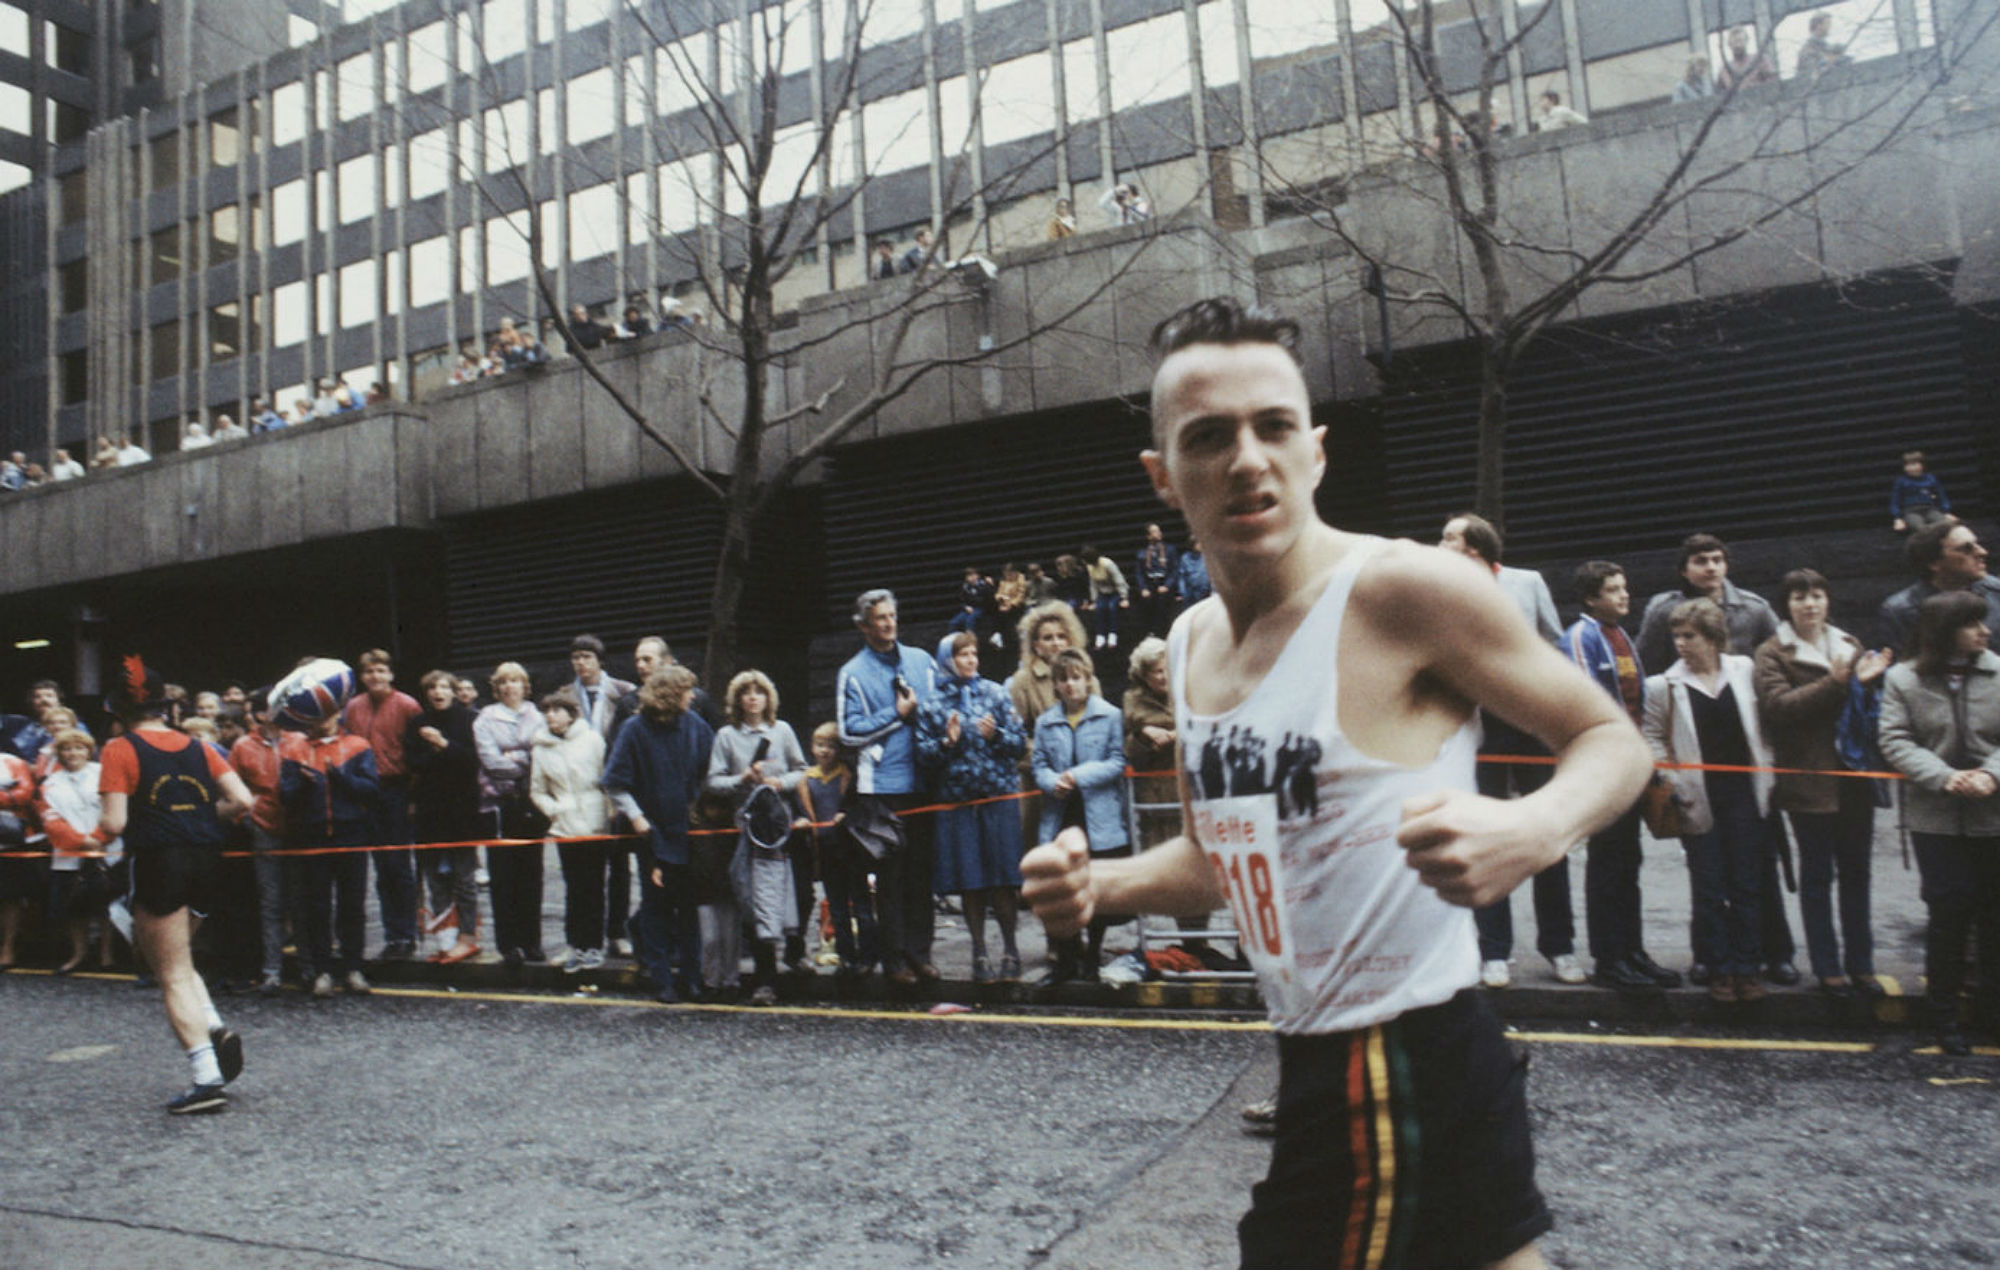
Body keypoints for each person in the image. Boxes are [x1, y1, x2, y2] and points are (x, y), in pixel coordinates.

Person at [1021, 297, 1650, 1270]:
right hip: (1322, 1060)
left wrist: (1534, 828)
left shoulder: (1403, 591)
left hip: (1398, 1059)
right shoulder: (1187, 642)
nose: (1246, 459)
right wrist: (1100, 887)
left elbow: (1611, 738)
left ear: (1314, 450)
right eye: (1208, 436)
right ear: (1160, 475)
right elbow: (1219, 855)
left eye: (1272, 426)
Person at [97, 656, 255, 1114]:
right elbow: (242, 800)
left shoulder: (119, 749)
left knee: (169, 973)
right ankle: (211, 1024)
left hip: (159, 860)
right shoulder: (198, 747)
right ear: (165, 707)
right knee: (180, 961)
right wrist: (201, 817)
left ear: (118, 712)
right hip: (207, 858)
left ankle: (206, 1076)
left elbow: (114, 822)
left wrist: (94, 833)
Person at [1439, 512, 1581, 988]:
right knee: (1486, 837)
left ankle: (1560, 947)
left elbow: (1554, 643)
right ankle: (1493, 950)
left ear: (1474, 547)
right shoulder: (1442, 590)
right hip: (1482, 729)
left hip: (1531, 723)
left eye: (1449, 538)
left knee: (1548, 831)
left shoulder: (1526, 582)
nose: (1441, 546)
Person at [1753, 569, 1890, 997]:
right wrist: (1835, 683)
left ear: (1828, 601)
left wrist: (1868, 684)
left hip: (1853, 775)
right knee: (1817, 875)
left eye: (1817, 596)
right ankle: (1828, 967)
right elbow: (1779, 707)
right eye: (1799, 598)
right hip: (1808, 777)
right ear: (1786, 605)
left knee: (1857, 873)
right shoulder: (1772, 652)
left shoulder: (1849, 644)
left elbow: (1870, 708)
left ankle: (1862, 965)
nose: (1810, 604)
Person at [1878, 592, 2000, 1055]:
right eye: (1972, 624)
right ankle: (1944, 1015)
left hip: (1993, 816)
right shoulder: (1903, 680)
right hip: (1937, 820)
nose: (1984, 632)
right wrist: (1946, 778)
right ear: (1946, 630)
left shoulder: (1998, 671)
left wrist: (1991, 774)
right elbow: (1894, 739)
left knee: (1995, 917)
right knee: (1948, 915)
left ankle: (1992, 1010)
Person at [1642, 599, 1777, 1002]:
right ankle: (1719, 969)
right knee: (1709, 885)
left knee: (1748, 885)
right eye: (1677, 636)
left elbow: (1763, 727)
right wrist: (1672, 781)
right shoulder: (1663, 685)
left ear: (1714, 637)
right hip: (1696, 798)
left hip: (1745, 795)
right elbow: (1651, 738)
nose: (1681, 644)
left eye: (1690, 636)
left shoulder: (1745, 671)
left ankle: (1748, 969)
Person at [1559, 562, 1680, 991]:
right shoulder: (1580, 637)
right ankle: (1610, 959)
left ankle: (1633, 951)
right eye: (1613, 590)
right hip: (1604, 770)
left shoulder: (1622, 636)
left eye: (1624, 587)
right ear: (1591, 598)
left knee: (1629, 861)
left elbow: (1639, 703)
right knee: (1608, 863)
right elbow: (1591, 706)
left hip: (1632, 766)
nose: (1624, 595)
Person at [836, 588, 941, 985]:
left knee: (922, 872)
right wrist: (895, 715)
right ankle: (894, 960)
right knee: (890, 876)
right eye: (880, 618)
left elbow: (937, 705)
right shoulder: (852, 671)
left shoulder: (921, 660)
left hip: (924, 780)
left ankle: (920, 953)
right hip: (883, 786)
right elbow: (848, 731)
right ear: (864, 626)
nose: (889, 623)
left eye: (892, 615)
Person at [916, 633, 1028, 983]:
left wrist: (996, 736)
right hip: (958, 802)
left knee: (1004, 879)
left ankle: (1011, 948)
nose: (970, 660)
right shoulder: (933, 703)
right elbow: (923, 756)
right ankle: (979, 951)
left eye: (973, 654)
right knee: (971, 880)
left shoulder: (995, 693)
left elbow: (1019, 743)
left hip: (997, 798)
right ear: (948, 659)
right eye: (962, 655)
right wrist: (946, 744)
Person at [604, 665, 713, 1002]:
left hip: (689, 829)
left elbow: (710, 769)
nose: (692, 697)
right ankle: (662, 977)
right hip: (652, 832)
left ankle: (692, 977)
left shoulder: (695, 725)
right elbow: (614, 781)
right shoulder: (634, 729)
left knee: (689, 907)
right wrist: (636, 817)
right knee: (656, 905)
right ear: (669, 695)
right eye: (686, 691)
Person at [704, 669, 808, 1003]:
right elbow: (713, 781)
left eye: (758, 692)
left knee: (794, 895)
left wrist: (781, 783)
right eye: (746, 692)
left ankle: (796, 951)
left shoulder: (782, 731)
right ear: (737, 700)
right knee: (757, 901)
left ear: (768, 698)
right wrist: (743, 778)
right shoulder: (726, 736)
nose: (752, 698)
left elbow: (802, 770)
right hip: (747, 830)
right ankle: (766, 979)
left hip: (782, 827)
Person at [278, 667, 382, 998]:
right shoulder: (294, 750)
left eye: (326, 714)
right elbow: (285, 795)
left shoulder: (357, 745)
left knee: (352, 905)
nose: (320, 720)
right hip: (312, 836)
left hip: (350, 833)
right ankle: (323, 971)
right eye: (315, 715)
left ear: (337, 712)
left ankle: (353, 968)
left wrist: (342, 780)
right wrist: (303, 788)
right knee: (317, 906)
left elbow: (370, 789)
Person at [1033, 646, 1132, 984]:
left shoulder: (1109, 716)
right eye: (1063, 679)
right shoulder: (1046, 722)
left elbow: (1117, 761)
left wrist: (1079, 775)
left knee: (1095, 887)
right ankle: (1067, 957)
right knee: (1063, 886)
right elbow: (1040, 765)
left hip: (1097, 814)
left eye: (1077, 678)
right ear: (1056, 685)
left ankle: (1093, 953)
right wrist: (1052, 782)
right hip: (1063, 813)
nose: (1071, 685)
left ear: (1088, 680)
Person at [342, 649, 422, 961]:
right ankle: (391, 935)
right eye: (369, 672)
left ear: (390, 674)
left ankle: (406, 935)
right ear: (362, 677)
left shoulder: (407, 705)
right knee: (379, 865)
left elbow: (415, 753)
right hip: (364, 791)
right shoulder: (352, 707)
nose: (375, 677)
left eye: (381, 671)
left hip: (397, 789)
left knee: (398, 866)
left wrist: (413, 797)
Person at [530, 690, 612, 974]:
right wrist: (555, 809)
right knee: (573, 886)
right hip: (565, 826)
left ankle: (594, 946)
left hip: (594, 822)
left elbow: (607, 779)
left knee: (593, 886)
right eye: (547, 711)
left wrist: (608, 812)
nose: (551, 715)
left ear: (571, 713)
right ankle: (575, 945)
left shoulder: (592, 740)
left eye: (557, 710)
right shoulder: (540, 748)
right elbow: (537, 790)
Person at [405, 670, 483, 964]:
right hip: (429, 811)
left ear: (454, 691)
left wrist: (442, 744)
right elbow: (413, 762)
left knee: (464, 879)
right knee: (436, 878)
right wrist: (438, 753)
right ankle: (445, 939)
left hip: (462, 810)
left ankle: (467, 936)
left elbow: (471, 760)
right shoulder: (416, 723)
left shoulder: (468, 720)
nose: (438, 692)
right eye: (432, 688)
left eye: (444, 687)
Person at [475, 662, 547, 967]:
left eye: (515, 681)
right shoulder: (484, 719)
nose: (509, 687)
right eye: (503, 682)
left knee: (532, 874)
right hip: (498, 804)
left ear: (525, 685)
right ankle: (509, 944)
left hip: (530, 803)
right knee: (503, 876)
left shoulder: (539, 716)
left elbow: (543, 754)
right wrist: (524, 757)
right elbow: (491, 762)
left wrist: (514, 756)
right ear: (496, 687)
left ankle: (532, 941)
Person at [794, 722, 874, 978]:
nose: (825, 751)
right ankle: (846, 957)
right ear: (812, 748)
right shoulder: (807, 780)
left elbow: (858, 807)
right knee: (836, 906)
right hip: (826, 851)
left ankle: (868, 956)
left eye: (830, 746)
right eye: (820, 745)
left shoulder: (848, 776)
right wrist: (803, 821)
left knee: (861, 904)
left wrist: (846, 815)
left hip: (850, 850)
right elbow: (802, 810)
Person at [38, 729, 117, 975]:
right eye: (66, 748)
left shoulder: (104, 774)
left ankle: (107, 956)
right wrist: (82, 841)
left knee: (108, 906)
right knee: (74, 907)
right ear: (59, 753)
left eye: (79, 748)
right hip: (69, 853)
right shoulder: (50, 783)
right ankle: (79, 954)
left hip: (108, 850)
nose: (73, 753)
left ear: (89, 750)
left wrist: (100, 838)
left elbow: (114, 809)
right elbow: (50, 820)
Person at [228, 694, 292, 994]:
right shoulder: (242, 746)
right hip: (264, 830)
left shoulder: (297, 740)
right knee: (271, 902)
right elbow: (231, 789)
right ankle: (271, 971)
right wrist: (248, 817)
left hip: (299, 828)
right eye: (267, 708)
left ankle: (311, 968)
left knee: (303, 901)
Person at [1877, 520, 2000, 657]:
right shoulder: (1899, 612)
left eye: (1977, 544)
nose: (1983, 552)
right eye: (1966, 549)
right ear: (1933, 562)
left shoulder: (1997, 592)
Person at [1133, 523, 1181, 639]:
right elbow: (1139, 573)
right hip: (1150, 583)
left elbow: (1175, 570)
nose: (1159, 533)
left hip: (1164, 583)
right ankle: (1151, 633)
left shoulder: (1169, 549)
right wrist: (1143, 588)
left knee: (1163, 604)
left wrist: (1167, 585)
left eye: (1159, 531)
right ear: (1148, 536)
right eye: (1154, 531)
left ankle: (1166, 633)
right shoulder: (1142, 553)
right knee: (1145, 602)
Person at [1080, 543, 1130, 650]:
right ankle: (1100, 636)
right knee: (1100, 609)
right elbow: (1093, 584)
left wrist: (1124, 597)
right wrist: (1094, 600)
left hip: (1115, 591)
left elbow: (1119, 580)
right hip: (1103, 593)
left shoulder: (1107, 564)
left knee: (1112, 607)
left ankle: (1113, 635)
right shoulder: (1090, 567)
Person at [1890, 450, 1951, 534]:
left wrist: (1946, 512)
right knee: (1918, 527)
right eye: (1908, 465)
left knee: (1945, 524)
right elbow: (1895, 501)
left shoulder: (1931, 479)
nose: (1911, 468)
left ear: (1922, 465)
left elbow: (1941, 496)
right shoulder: (1901, 481)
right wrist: (1898, 518)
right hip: (1910, 511)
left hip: (1930, 509)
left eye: (1914, 464)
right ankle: (1930, 532)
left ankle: (1934, 531)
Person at [1715, 25, 1776, 93]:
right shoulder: (1724, 70)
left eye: (1740, 41)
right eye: (1735, 42)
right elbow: (1719, 95)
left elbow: (1773, 83)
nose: (1738, 45)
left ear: (1747, 41)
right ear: (1729, 44)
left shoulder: (1760, 60)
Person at [1796, 12, 1850, 80]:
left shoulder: (1826, 47)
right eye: (1827, 23)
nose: (1830, 27)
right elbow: (1811, 73)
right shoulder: (1807, 50)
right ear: (1819, 25)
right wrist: (1829, 60)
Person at [1175, 536, 1211, 610]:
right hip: (1190, 593)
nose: (1200, 545)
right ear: (1192, 545)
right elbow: (1182, 577)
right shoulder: (1185, 558)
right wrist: (1182, 592)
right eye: (1198, 543)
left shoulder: (1206, 556)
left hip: (1205, 592)